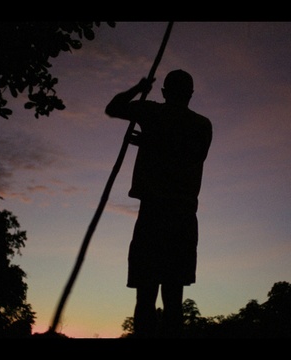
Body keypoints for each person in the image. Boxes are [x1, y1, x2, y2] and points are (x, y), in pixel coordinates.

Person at [105, 69, 212, 338]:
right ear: (190, 94)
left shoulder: (152, 113)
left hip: (154, 215)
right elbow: (191, 155)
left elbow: (113, 108)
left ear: (164, 93)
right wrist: (151, 141)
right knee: (173, 298)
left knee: (146, 295)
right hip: (182, 217)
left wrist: (138, 88)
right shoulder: (202, 125)